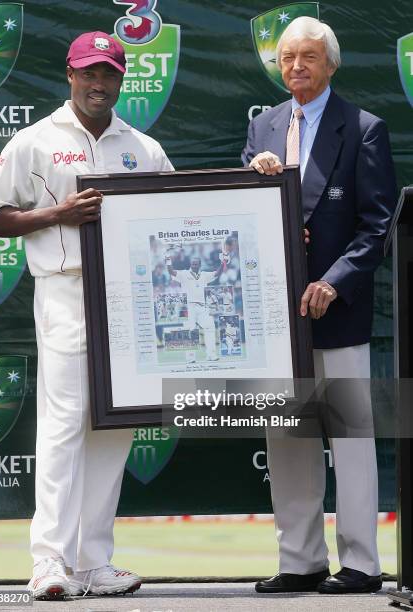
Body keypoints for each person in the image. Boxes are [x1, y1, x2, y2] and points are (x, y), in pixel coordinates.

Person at [0, 31, 173, 600]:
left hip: (132, 298)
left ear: (122, 78)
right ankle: (49, 562)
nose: (98, 84)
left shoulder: (144, 148)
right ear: (70, 74)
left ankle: (92, 561)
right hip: (66, 291)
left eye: (108, 74)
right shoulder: (35, 141)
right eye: (89, 73)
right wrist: (58, 214)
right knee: (63, 428)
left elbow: (177, 220)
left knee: (115, 427)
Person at [242, 16, 397, 594]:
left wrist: (334, 280)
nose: (297, 67)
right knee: (288, 436)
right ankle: (300, 560)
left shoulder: (363, 129)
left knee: (352, 439)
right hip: (273, 313)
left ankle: (361, 564)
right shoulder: (263, 128)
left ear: (331, 63)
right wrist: (252, 180)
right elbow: (244, 214)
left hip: (338, 310)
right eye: (287, 58)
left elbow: (377, 225)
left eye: (309, 56)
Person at [166, 254, 228, 361]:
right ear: (190, 264)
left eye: (196, 264)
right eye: (192, 263)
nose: (194, 265)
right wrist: (168, 262)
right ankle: (190, 358)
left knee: (209, 327)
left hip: (202, 306)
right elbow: (171, 272)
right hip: (188, 306)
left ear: (200, 265)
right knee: (190, 330)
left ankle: (211, 355)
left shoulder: (204, 275)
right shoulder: (184, 274)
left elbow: (217, 273)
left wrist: (223, 262)